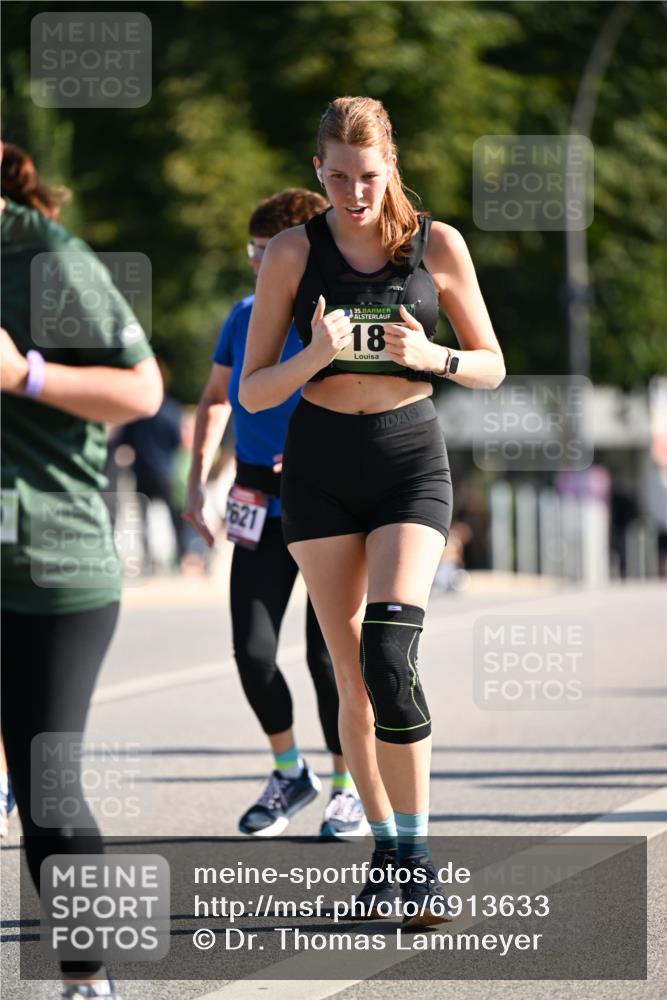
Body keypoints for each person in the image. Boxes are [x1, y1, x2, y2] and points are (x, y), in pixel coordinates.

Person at [239, 97, 505, 926]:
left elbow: (492, 365)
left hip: (407, 461)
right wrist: (311, 357)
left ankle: (418, 859)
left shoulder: (438, 246)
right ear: (317, 169)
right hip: (317, 469)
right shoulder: (292, 251)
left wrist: (435, 356)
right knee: (351, 675)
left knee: (392, 657)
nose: (353, 192)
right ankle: (385, 850)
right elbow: (252, 390)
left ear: (390, 166)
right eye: (338, 175)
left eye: (367, 175)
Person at [1, 142, 162, 998]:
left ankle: (86, 978)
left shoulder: (48, 260)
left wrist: (23, 373)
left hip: (46, 565)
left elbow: (141, 391)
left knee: (49, 799)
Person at [183, 188, 368, 838]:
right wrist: (197, 479)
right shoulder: (241, 316)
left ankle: (347, 787)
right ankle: (289, 771)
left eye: (266, 250)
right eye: (253, 251)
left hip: (330, 493)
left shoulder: (340, 317)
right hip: (257, 492)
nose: (257, 262)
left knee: (329, 658)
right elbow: (214, 398)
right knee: (251, 648)